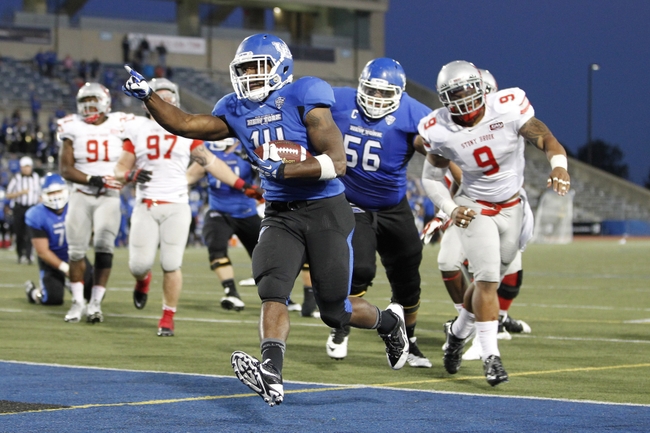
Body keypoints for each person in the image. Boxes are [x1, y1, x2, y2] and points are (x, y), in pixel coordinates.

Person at [122, 33, 409, 406]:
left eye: (258, 68)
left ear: (281, 67)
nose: (250, 76)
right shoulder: (235, 107)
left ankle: (389, 323)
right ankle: (271, 372)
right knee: (272, 289)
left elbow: (336, 162)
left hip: (325, 211)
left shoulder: (305, 93)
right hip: (279, 214)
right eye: (244, 69)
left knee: (334, 310)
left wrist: (283, 171)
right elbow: (186, 123)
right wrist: (149, 96)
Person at [417, 60, 570, 386]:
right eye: (454, 95)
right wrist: (449, 206)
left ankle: (457, 335)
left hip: (512, 206)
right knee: (486, 279)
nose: (463, 100)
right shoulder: (439, 127)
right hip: (475, 207)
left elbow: (547, 139)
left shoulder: (508, 106)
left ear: (482, 89)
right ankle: (491, 357)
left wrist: (559, 165)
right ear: (444, 99)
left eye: (467, 91)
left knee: (488, 282)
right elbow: (430, 178)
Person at [114, 78, 249, 336]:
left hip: (177, 203)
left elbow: (210, 161)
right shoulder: (137, 129)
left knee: (171, 263)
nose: (164, 100)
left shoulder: (185, 128)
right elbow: (120, 168)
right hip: (146, 203)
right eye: (158, 96)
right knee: (138, 266)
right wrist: (128, 176)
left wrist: (243, 185)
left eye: (168, 96)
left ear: (175, 99)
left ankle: (167, 316)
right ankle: (142, 282)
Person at [325, 58, 433, 368]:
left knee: (408, 276)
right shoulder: (339, 100)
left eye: (386, 95)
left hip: (393, 207)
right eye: (371, 91)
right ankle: (342, 325)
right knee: (360, 270)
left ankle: (408, 341)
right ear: (360, 86)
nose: (376, 99)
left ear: (400, 93)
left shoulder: (416, 114)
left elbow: (440, 153)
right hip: (351, 203)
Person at [58, 82, 125, 324]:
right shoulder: (71, 126)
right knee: (76, 251)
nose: (89, 107)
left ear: (105, 102)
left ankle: (95, 303)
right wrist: (92, 179)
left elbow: (134, 153)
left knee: (104, 247)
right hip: (81, 193)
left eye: (93, 101)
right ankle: (78, 302)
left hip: (109, 196)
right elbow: (65, 168)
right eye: (84, 103)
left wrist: (130, 175)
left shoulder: (121, 123)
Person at [187, 137, 264, 312]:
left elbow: (269, 172)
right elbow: (192, 174)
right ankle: (231, 293)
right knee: (216, 247)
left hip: (247, 212)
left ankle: (284, 298)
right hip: (219, 211)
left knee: (267, 255)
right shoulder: (208, 148)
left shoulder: (248, 145)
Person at [24, 173, 93, 305]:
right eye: (51, 193)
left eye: (58, 191)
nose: (55, 196)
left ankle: (70, 284)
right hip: (51, 260)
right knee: (52, 299)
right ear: (43, 195)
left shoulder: (76, 205)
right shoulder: (36, 214)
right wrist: (66, 268)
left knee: (93, 292)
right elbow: (42, 252)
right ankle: (33, 292)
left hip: (74, 255)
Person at [6, 156, 41, 264]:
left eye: (28, 167)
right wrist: (20, 193)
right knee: (19, 232)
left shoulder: (36, 177)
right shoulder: (16, 178)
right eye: (24, 167)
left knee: (30, 232)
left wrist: (40, 200)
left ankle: (29, 255)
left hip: (32, 208)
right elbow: (8, 195)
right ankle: (20, 254)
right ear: (21, 168)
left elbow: (40, 193)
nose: (26, 169)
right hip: (19, 208)